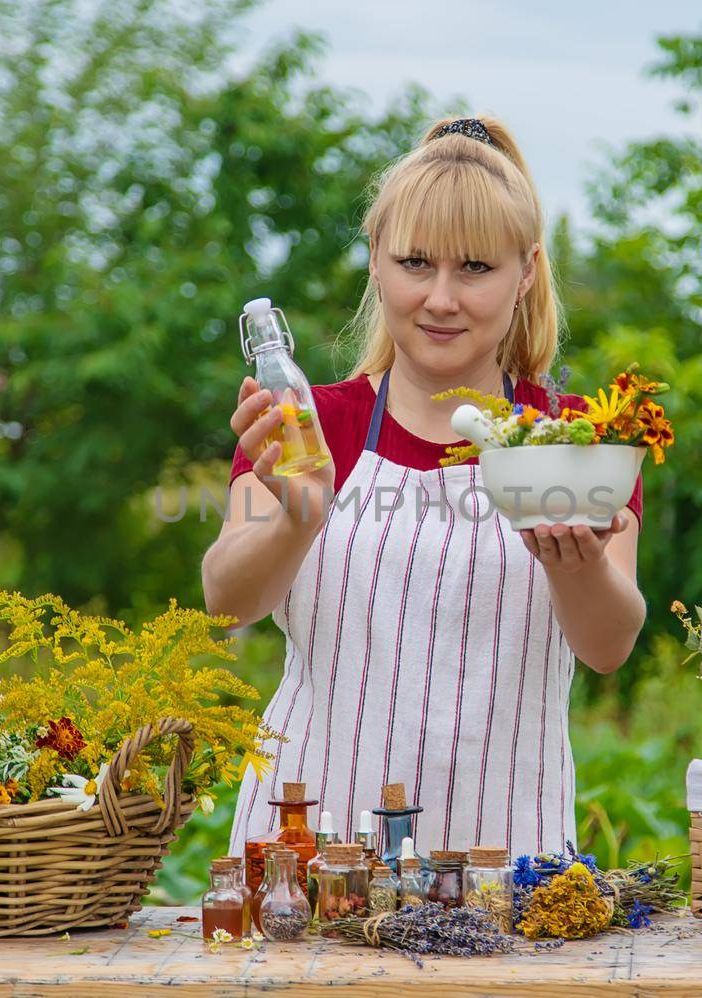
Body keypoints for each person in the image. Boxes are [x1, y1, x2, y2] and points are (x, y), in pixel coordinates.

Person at [203, 115, 646, 857]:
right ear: (376, 261)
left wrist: (579, 565)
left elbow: (609, 645)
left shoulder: (573, 438)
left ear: (527, 271)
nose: (442, 298)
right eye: (416, 263)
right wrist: (297, 520)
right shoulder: (309, 424)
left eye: (475, 268)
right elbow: (225, 603)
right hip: (310, 856)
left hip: (507, 860)